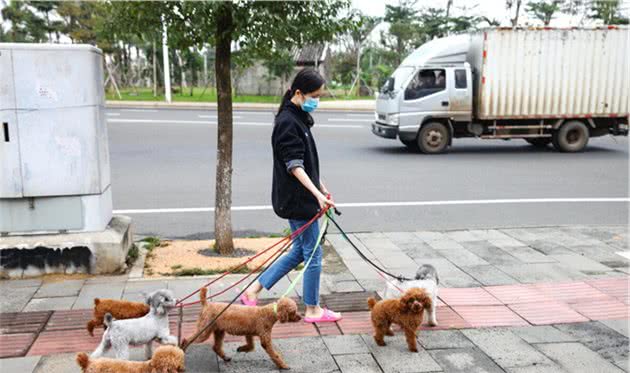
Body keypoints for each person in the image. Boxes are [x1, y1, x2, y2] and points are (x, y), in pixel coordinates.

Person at [241, 69, 342, 323]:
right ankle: (312, 309)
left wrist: (322, 188)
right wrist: (317, 194)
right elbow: (295, 166)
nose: (317, 101)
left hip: (300, 197)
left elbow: (307, 163)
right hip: (298, 201)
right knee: (313, 253)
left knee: (299, 250)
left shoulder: (299, 117)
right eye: (315, 95)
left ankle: (252, 290)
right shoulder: (288, 122)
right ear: (298, 93)